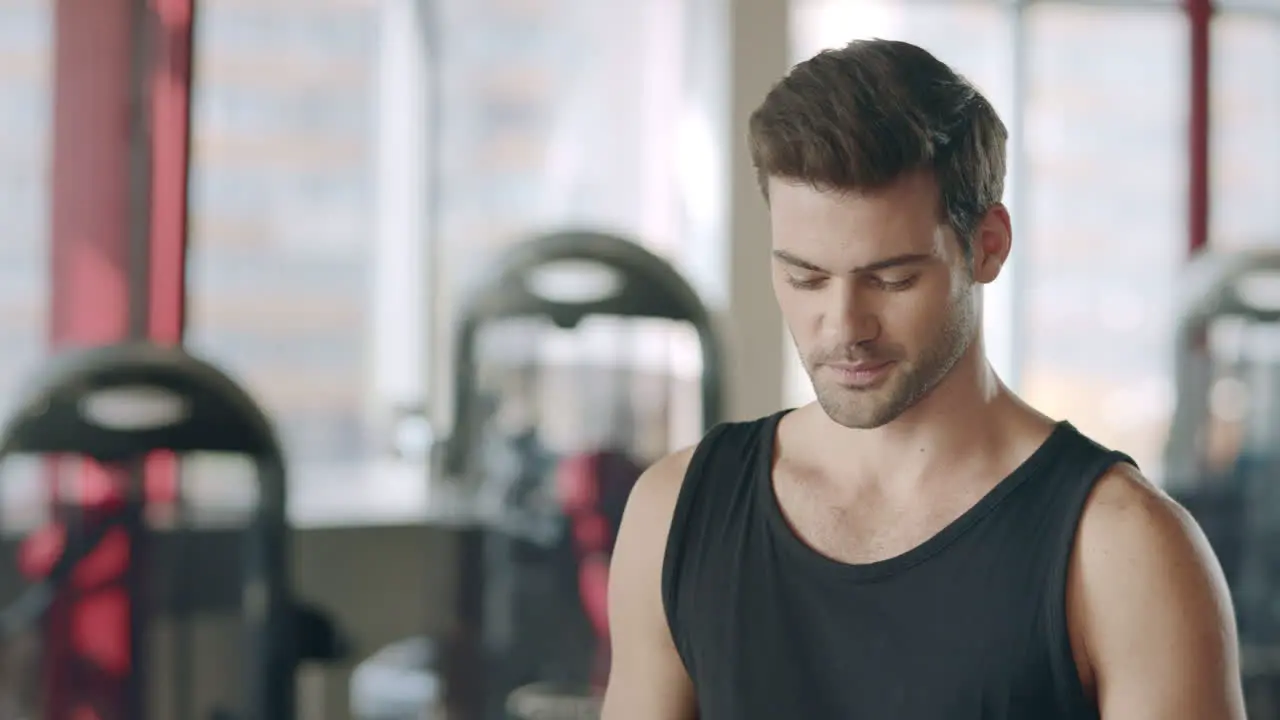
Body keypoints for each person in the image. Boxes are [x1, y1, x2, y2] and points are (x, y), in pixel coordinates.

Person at [600, 38, 1245, 720]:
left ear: (988, 246)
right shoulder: (676, 514)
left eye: (892, 278)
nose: (843, 325)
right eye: (805, 277)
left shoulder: (1124, 551)